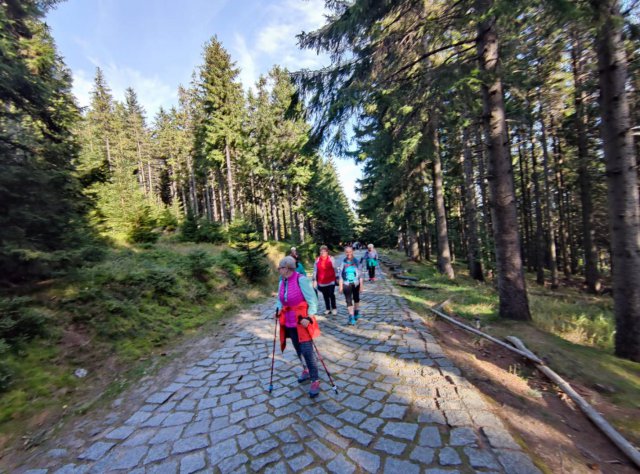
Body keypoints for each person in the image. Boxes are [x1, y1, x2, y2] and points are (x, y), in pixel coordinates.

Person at [276, 256, 321, 398]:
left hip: (302, 321)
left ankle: (315, 379)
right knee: (298, 348)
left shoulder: (301, 279)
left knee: (307, 350)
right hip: (289, 321)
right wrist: (277, 310)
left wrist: (309, 316)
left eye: (280, 267)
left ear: (288, 268)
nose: (278, 269)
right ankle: (305, 369)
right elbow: (280, 300)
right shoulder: (281, 282)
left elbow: (313, 300)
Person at [338, 245, 364, 325]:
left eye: (350, 251)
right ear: (345, 253)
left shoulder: (357, 261)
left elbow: (360, 274)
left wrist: (361, 285)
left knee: (356, 299)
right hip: (346, 283)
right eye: (347, 252)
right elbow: (340, 275)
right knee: (348, 300)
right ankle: (351, 316)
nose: (348, 253)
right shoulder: (343, 262)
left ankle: (356, 311)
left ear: (352, 252)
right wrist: (340, 286)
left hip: (356, 284)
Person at [312, 245, 338, 316]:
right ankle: (328, 309)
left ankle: (334, 308)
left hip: (331, 280)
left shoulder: (331, 258)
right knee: (325, 295)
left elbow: (335, 268)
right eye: (321, 251)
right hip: (322, 281)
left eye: (324, 251)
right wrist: (314, 280)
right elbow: (315, 270)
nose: (322, 252)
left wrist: (337, 277)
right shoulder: (317, 260)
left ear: (327, 252)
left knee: (331, 294)